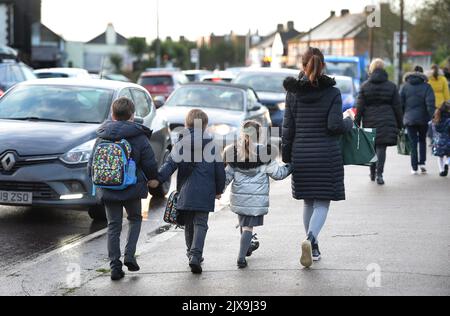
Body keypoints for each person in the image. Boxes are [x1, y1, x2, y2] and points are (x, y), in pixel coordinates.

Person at [282, 47, 354, 268]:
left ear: (302, 66)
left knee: (308, 202)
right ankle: (311, 240)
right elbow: (334, 126)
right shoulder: (332, 92)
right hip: (326, 154)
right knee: (322, 202)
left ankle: (312, 246)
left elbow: (287, 129)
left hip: (302, 153)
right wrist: (349, 122)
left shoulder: (292, 92)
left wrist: (287, 156)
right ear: (323, 65)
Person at [90, 97, 159, 281]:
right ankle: (129, 255)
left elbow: (91, 164)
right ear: (132, 115)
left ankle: (114, 266)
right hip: (131, 187)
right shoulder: (138, 136)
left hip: (108, 187)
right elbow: (149, 163)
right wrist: (154, 179)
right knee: (135, 219)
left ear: (112, 114)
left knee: (113, 226)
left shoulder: (102, 134)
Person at [150, 109, 226, 274]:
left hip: (185, 190)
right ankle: (196, 256)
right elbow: (220, 170)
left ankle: (190, 253)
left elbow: (169, 165)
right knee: (201, 224)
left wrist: (158, 180)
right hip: (205, 192)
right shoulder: (211, 145)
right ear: (204, 126)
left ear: (186, 124)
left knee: (188, 224)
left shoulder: (180, 144)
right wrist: (219, 190)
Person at [224, 121, 292, 269]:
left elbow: (226, 177)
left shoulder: (234, 154)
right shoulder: (265, 154)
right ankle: (241, 258)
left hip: (239, 198)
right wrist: (290, 167)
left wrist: (218, 190)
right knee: (248, 227)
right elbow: (278, 174)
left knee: (244, 224)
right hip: (256, 199)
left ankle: (247, 248)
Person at [355, 58, 403, 185]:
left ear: (371, 69)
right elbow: (397, 107)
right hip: (387, 120)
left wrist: (357, 123)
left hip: (370, 120)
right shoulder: (391, 86)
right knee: (381, 148)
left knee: (372, 147)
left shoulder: (365, 86)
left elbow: (359, 106)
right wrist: (400, 124)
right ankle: (379, 174)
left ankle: (372, 172)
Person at [401, 66, 436, 174]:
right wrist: (432, 117)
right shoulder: (427, 87)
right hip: (423, 119)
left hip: (409, 119)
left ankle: (414, 167)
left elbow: (400, 104)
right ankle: (422, 163)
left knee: (413, 142)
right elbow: (430, 104)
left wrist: (402, 117)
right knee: (422, 140)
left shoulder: (405, 87)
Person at [432, 102, 450, 177]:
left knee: (440, 157)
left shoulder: (436, 119)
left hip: (438, 141)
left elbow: (432, 131)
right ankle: (447, 163)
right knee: (449, 156)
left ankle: (441, 170)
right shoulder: (449, 120)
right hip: (448, 141)